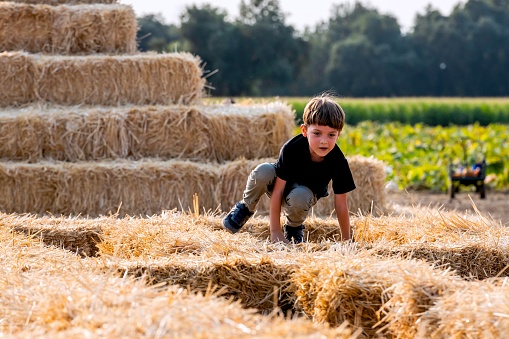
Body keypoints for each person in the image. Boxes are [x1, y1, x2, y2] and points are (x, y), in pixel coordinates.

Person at [222, 94, 356, 243]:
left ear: (339, 134)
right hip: (281, 186)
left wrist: (346, 241)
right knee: (263, 171)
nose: (324, 141)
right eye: (317, 133)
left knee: (300, 195)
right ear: (304, 131)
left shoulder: (338, 161)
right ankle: (245, 208)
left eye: (331, 135)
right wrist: (275, 232)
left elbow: (341, 204)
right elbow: (278, 191)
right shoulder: (291, 148)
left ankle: (293, 227)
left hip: (302, 195)